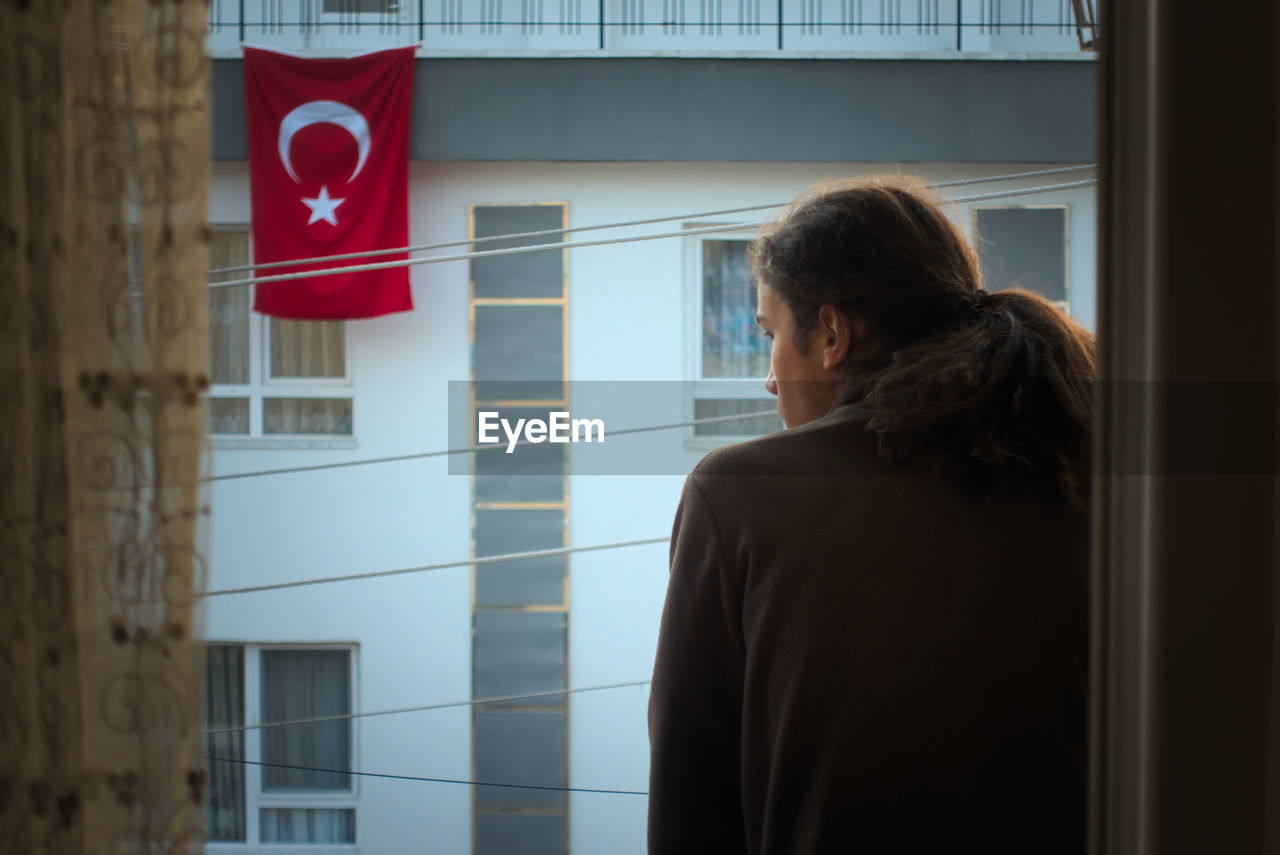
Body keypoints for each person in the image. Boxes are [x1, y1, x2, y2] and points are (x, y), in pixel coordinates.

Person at [648, 178, 1094, 854]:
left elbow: (691, 796)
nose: (770, 377)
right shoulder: (1079, 466)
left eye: (769, 334)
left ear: (831, 333)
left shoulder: (736, 495)